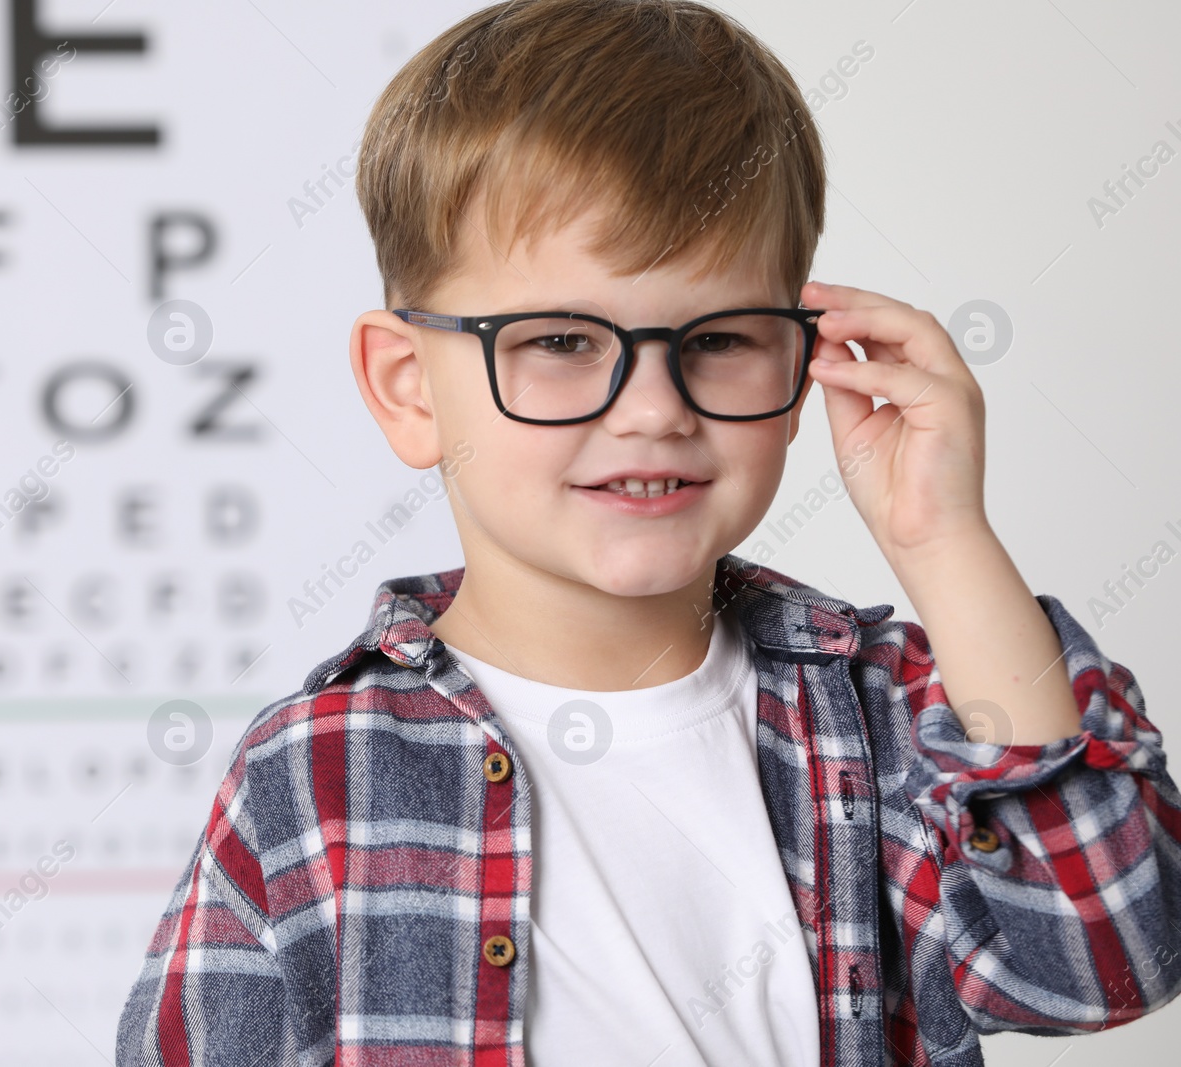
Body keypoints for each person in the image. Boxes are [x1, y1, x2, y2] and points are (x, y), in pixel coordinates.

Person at [115, 1, 1181, 1063]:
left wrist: (943, 540)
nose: (653, 407)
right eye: (564, 339)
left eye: (718, 338)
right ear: (409, 387)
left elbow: (1104, 963)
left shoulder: (890, 726)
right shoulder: (314, 772)